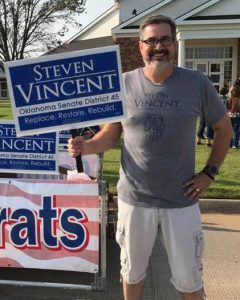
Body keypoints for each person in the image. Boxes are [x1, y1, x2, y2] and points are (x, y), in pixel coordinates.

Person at [68, 15, 232, 300]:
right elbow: (110, 134)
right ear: (140, 46)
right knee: (131, 274)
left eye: (165, 39)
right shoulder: (124, 83)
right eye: (151, 41)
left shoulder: (196, 83)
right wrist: (87, 147)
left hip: (181, 200)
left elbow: (223, 129)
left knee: (189, 279)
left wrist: (209, 173)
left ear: (175, 42)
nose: (159, 46)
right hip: (134, 200)